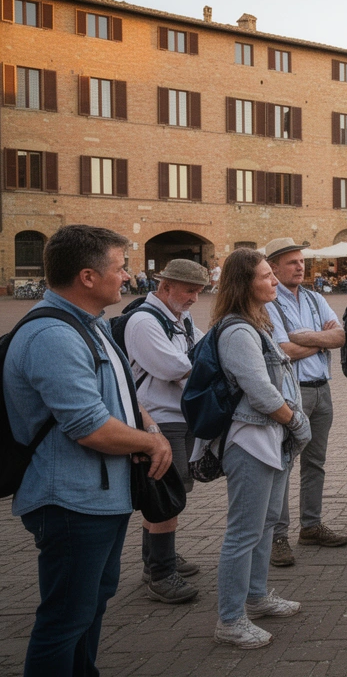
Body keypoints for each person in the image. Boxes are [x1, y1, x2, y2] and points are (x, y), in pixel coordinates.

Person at [4, 224, 172, 674]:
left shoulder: (90, 325)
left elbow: (117, 391)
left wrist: (147, 422)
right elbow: (89, 426)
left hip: (99, 497)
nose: (129, 276)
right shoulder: (54, 336)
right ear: (88, 277)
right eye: (121, 267)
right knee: (65, 620)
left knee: (90, 608)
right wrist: (151, 441)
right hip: (71, 502)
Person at [208, 248, 311, 649]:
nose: (274, 281)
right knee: (244, 531)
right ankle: (230, 619)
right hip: (251, 441)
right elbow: (261, 391)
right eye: (266, 276)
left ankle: (256, 595)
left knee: (266, 523)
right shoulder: (236, 330)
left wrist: (288, 427)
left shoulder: (258, 323)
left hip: (272, 440)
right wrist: (295, 421)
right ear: (244, 283)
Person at [123, 259, 209, 605]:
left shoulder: (179, 318)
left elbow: (202, 350)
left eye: (199, 291)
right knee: (167, 495)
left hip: (179, 414)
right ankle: (160, 572)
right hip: (159, 418)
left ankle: (157, 559)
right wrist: (209, 370)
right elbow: (176, 367)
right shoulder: (144, 321)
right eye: (190, 290)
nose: (194, 299)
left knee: (169, 491)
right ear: (166, 286)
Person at [263, 237, 347, 565]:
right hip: (290, 390)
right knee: (283, 463)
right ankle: (277, 535)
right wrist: (320, 340)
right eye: (292, 262)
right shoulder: (268, 302)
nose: (300, 267)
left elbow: (340, 337)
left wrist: (302, 337)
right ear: (273, 267)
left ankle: (311, 525)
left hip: (321, 389)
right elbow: (281, 350)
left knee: (316, 461)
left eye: (301, 262)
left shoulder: (314, 298)